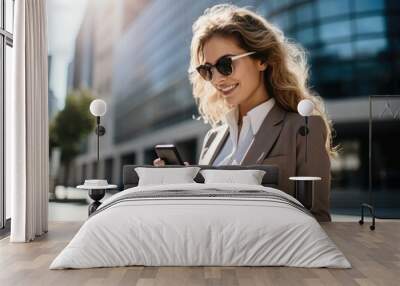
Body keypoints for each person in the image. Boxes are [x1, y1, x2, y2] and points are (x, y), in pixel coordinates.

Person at [154, 4, 336, 222]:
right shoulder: (213, 139)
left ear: (262, 59)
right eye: (207, 70)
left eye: (225, 64)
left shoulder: (304, 128)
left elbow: (317, 219)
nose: (217, 79)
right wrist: (182, 185)